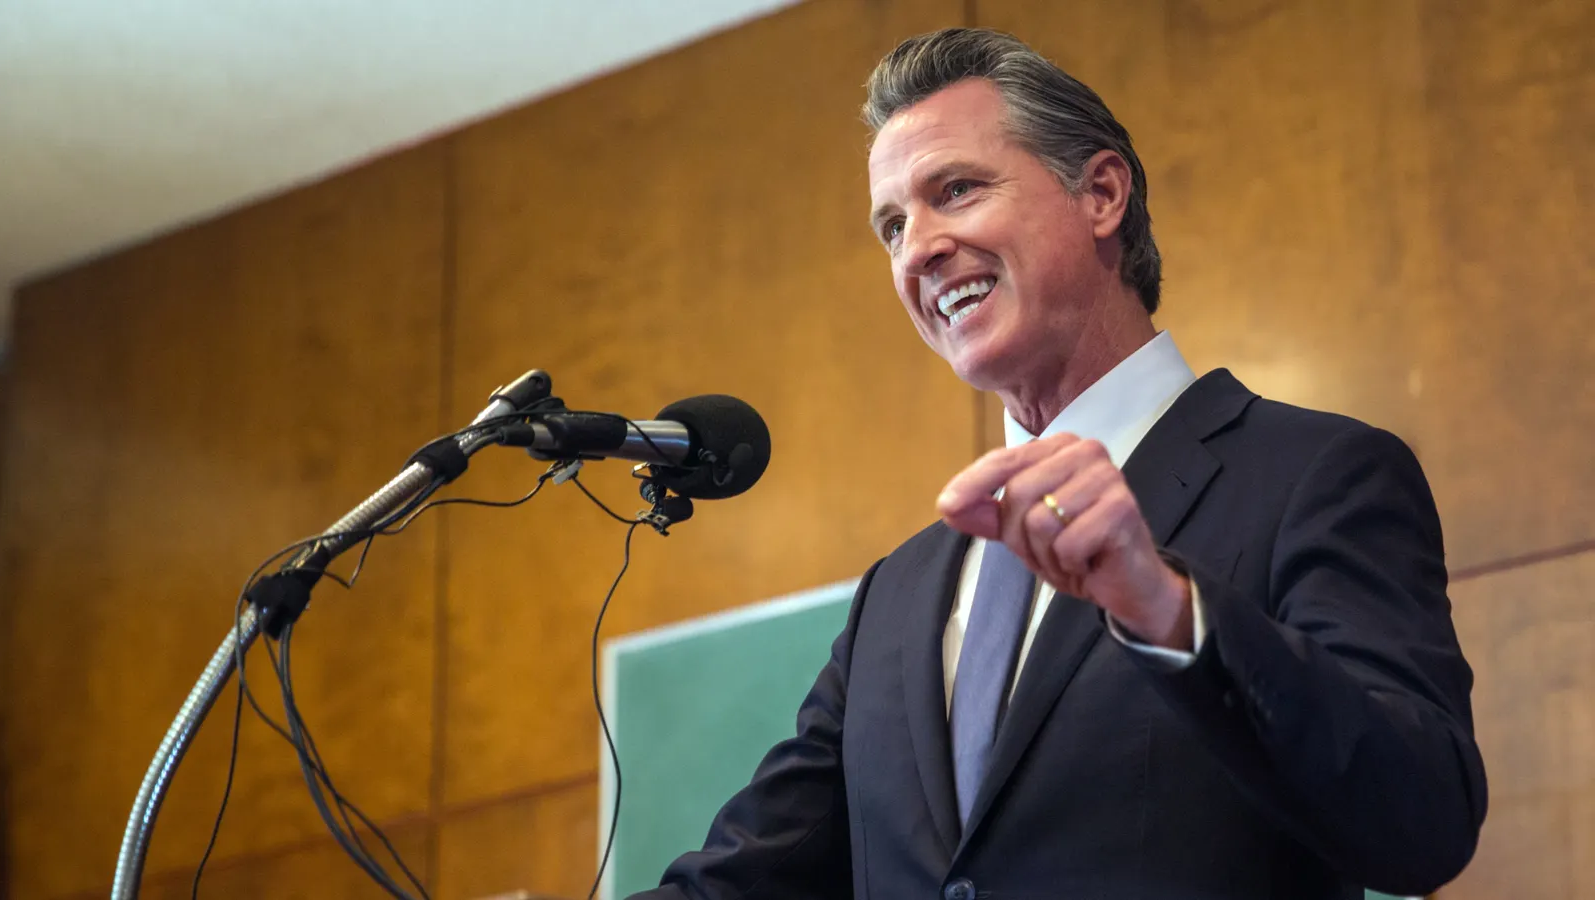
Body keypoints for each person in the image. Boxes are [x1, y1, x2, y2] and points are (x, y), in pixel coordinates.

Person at [630, 28, 1486, 900]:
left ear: (1102, 193)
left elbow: (1424, 820)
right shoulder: (897, 593)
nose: (917, 249)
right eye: (892, 226)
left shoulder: (1314, 475)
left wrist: (1168, 609)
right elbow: (744, 879)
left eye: (954, 191)